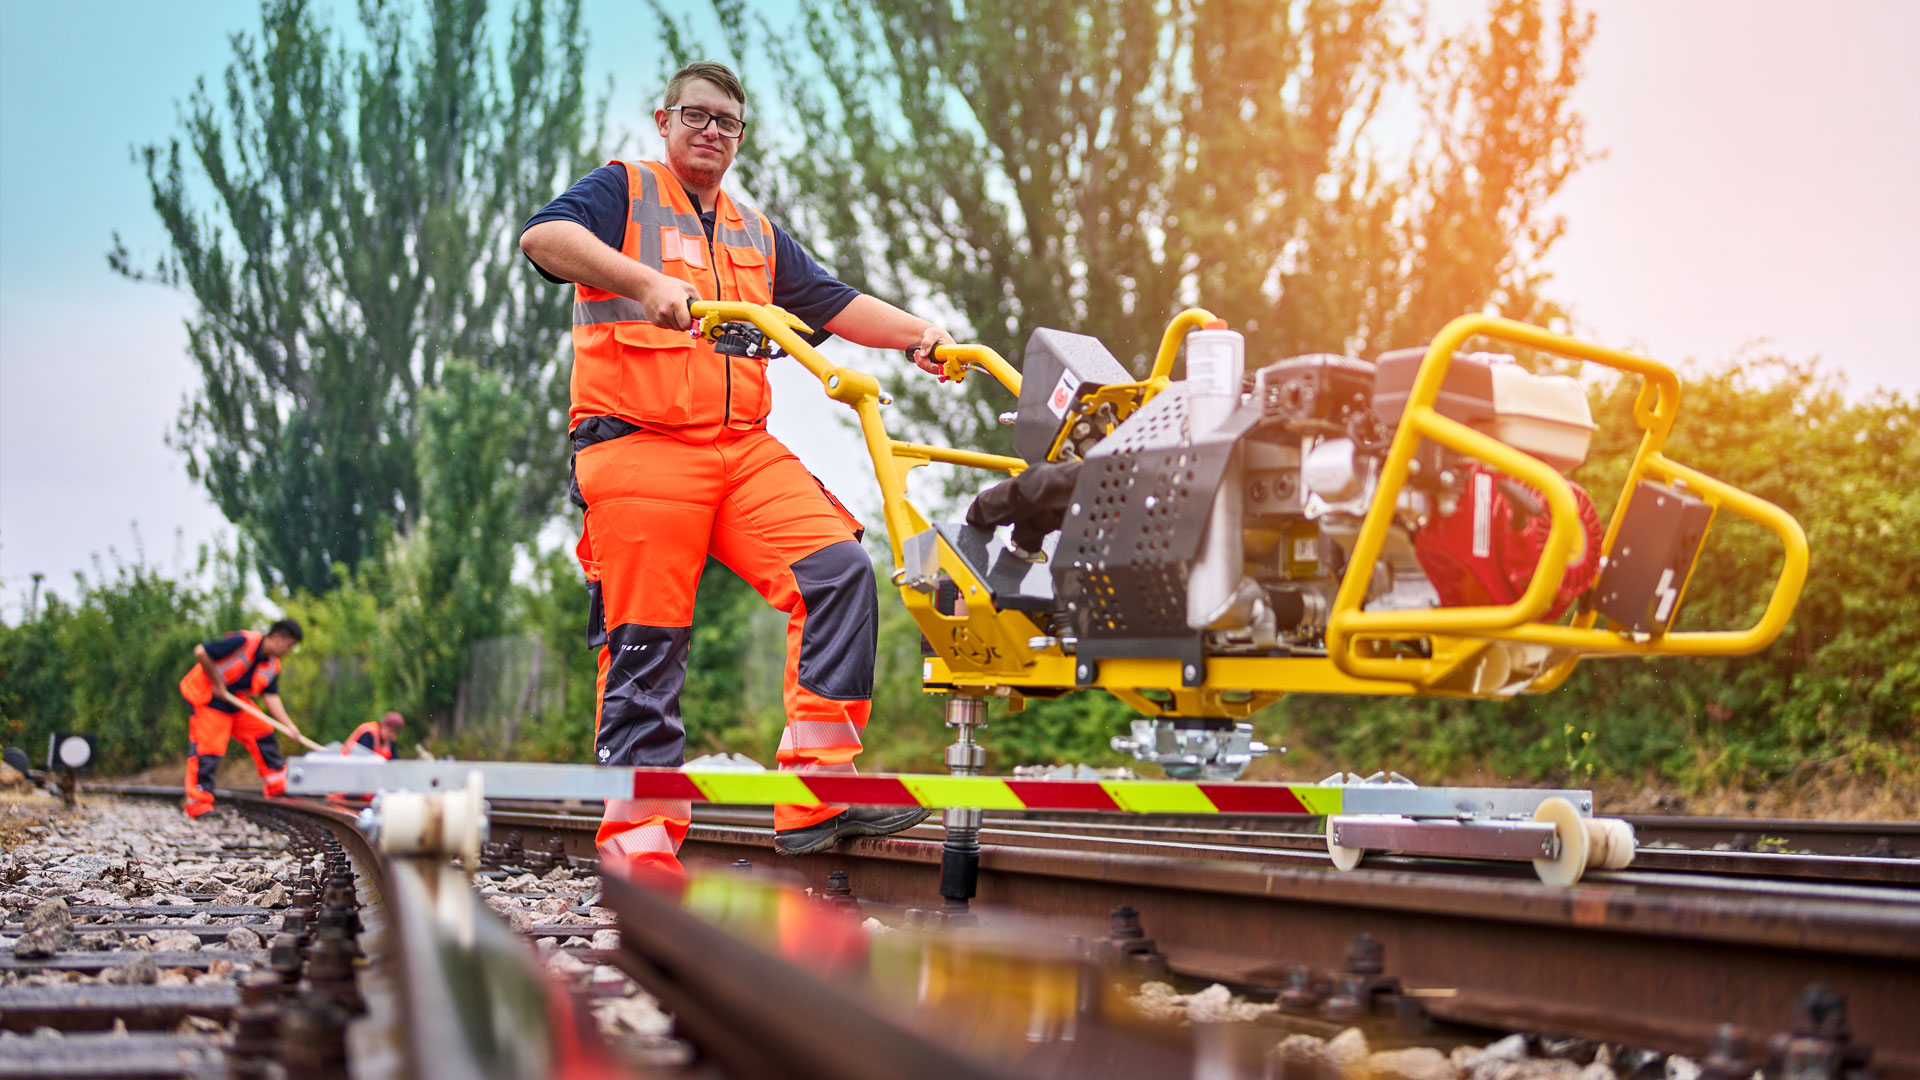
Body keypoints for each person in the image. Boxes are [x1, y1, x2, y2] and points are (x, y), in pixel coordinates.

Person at [520, 60, 950, 872]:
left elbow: (831, 302)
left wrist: (924, 334)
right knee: (648, 640)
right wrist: (645, 281)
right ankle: (640, 846)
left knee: (841, 572)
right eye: (696, 115)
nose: (711, 131)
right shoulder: (625, 190)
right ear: (663, 120)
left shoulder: (754, 230)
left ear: (741, 137)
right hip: (637, 446)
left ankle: (816, 791)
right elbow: (545, 238)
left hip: (741, 452)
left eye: (727, 122)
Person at [180, 619, 304, 818]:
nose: (289, 651)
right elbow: (201, 651)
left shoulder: (272, 665)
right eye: (290, 646)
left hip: (233, 701)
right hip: (207, 696)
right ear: (279, 638)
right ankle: (198, 802)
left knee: (262, 730)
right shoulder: (244, 641)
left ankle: (276, 786)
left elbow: (271, 696)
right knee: (209, 748)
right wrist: (216, 682)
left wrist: (289, 726)